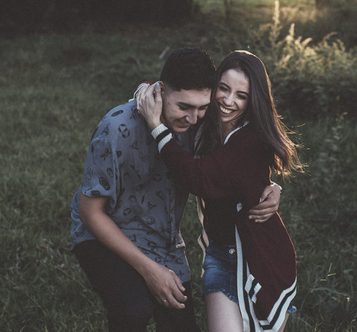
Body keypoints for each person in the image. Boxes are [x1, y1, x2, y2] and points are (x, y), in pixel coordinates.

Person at [70, 48, 281, 331]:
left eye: (202, 107)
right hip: (104, 235)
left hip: (165, 243)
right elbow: (90, 214)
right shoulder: (116, 128)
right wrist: (150, 270)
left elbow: (237, 162)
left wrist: (270, 187)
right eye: (184, 107)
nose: (194, 119)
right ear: (160, 92)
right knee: (134, 311)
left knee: (181, 325)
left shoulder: (201, 124)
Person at [136, 50, 303, 332]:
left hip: (260, 257)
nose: (228, 101)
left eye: (241, 95)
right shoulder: (204, 120)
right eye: (223, 89)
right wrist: (145, 90)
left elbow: (198, 177)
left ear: (253, 101)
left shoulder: (250, 139)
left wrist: (156, 127)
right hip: (220, 255)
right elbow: (170, 90)